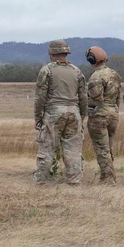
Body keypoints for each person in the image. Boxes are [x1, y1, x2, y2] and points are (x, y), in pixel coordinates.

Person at [33, 39, 87, 185]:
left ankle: (41, 181)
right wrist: (81, 116)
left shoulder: (47, 70)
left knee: (47, 148)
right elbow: (83, 97)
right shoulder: (76, 71)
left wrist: (38, 117)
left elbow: (40, 97)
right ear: (66, 53)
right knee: (73, 150)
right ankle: (74, 181)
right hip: (74, 113)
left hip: (54, 113)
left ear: (51, 54)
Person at [85, 46, 121, 184]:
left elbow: (96, 99)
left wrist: (81, 100)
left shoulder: (95, 77)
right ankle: (110, 175)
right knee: (108, 148)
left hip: (99, 115)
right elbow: (118, 96)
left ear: (91, 59)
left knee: (101, 149)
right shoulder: (114, 74)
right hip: (113, 114)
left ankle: (107, 179)